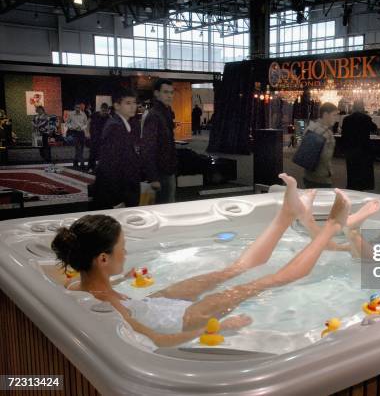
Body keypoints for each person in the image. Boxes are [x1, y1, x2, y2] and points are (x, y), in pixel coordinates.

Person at [51, 174, 350, 347]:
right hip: (179, 318)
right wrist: (221, 327)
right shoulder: (108, 304)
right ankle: (333, 225)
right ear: (102, 258)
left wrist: (120, 279)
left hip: (152, 302)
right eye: (122, 248)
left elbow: (78, 282)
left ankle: (286, 214)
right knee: (268, 281)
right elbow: (158, 339)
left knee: (232, 270)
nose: (126, 253)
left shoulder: (80, 286)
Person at [92, 88, 141, 209]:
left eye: (134, 103)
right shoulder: (115, 127)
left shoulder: (125, 124)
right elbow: (110, 166)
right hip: (117, 196)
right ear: (117, 105)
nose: (133, 107)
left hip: (124, 191)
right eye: (128, 103)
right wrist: (117, 200)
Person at [142, 79, 177, 204]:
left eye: (172, 92)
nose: (169, 95)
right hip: (160, 173)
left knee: (168, 207)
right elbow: (148, 147)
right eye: (166, 92)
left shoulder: (166, 113)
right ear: (156, 93)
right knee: (163, 210)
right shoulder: (154, 115)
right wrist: (153, 177)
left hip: (168, 170)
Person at [341, 99, 378, 191]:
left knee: (352, 170)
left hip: (351, 149)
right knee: (364, 169)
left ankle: (352, 186)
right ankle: (363, 186)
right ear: (362, 107)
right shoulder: (366, 118)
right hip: (364, 148)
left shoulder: (347, 119)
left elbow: (343, 135)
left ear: (353, 107)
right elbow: (374, 128)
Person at [302, 102, 338, 188]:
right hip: (321, 175)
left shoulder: (310, 127)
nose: (335, 119)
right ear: (325, 114)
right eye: (334, 115)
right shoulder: (327, 133)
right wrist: (329, 172)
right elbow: (326, 157)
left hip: (308, 172)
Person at [88, 103, 111, 172]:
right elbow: (88, 123)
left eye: (105, 111)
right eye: (103, 111)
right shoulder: (94, 115)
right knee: (93, 153)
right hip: (94, 137)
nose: (104, 112)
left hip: (103, 138)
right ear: (100, 109)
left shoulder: (108, 117)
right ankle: (91, 167)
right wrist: (87, 132)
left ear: (107, 110)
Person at [66, 103, 89, 170]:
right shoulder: (70, 114)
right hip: (73, 132)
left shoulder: (83, 114)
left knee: (81, 148)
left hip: (81, 132)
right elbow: (67, 123)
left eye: (79, 107)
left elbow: (86, 123)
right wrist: (72, 127)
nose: (78, 109)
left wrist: (82, 128)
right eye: (76, 107)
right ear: (74, 107)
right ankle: (82, 163)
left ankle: (75, 161)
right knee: (78, 147)